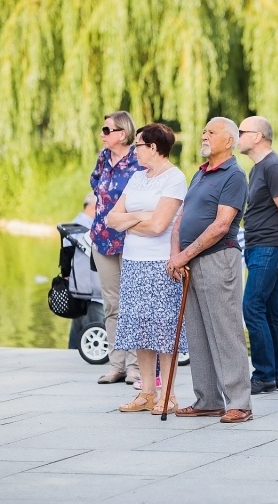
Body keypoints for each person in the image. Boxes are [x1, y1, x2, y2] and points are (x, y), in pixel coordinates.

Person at [167, 117, 253, 423]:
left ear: (229, 141)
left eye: (211, 132)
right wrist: (176, 254)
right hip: (190, 262)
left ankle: (239, 403)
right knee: (199, 332)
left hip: (218, 259)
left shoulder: (234, 175)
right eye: (203, 131)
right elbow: (182, 217)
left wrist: (184, 255)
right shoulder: (200, 173)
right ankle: (208, 399)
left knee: (225, 330)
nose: (204, 136)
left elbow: (220, 226)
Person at [105, 123, 188, 414]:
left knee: (163, 329)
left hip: (160, 264)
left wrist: (131, 222)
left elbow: (159, 226)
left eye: (138, 145)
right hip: (133, 262)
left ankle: (168, 393)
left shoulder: (174, 179)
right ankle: (147, 393)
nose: (134, 150)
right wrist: (140, 215)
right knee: (140, 328)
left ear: (153, 147)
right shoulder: (137, 178)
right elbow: (111, 219)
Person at [237, 116, 278, 394]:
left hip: (268, 247)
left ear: (257, 136)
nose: (237, 136)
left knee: (251, 306)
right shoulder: (259, 168)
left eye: (241, 132)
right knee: (274, 311)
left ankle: (263, 375)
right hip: (258, 246)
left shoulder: (274, 167)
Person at [89, 111, 141, 385]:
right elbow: (95, 184)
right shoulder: (102, 158)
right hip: (102, 238)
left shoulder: (138, 160)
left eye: (106, 130)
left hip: (131, 238)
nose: (102, 134)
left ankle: (135, 367)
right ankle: (116, 364)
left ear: (122, 134)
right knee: (112, 303)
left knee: (132, 302)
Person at [67, 192, 104, 349]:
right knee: (96, 327)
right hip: (92, 290)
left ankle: (73, 351)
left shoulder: (74, 226)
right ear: (93, 207)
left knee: (79, 327)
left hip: (79, 288)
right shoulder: (84, 229)